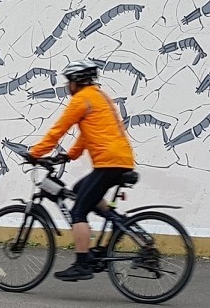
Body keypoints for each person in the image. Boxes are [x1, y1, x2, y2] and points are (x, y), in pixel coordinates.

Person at [27, 60, 136, 281]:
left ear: (76, 81)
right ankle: (117, 222)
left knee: (78, 212)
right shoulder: (99, 96)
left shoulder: (81, 100)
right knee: (79, 190)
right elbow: (90, 133)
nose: (68, 86)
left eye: (69, 81)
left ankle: (82, 263)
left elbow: (58, 130)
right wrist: (69, 155)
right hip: (120, 159)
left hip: (108, 163)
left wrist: (35, 153)